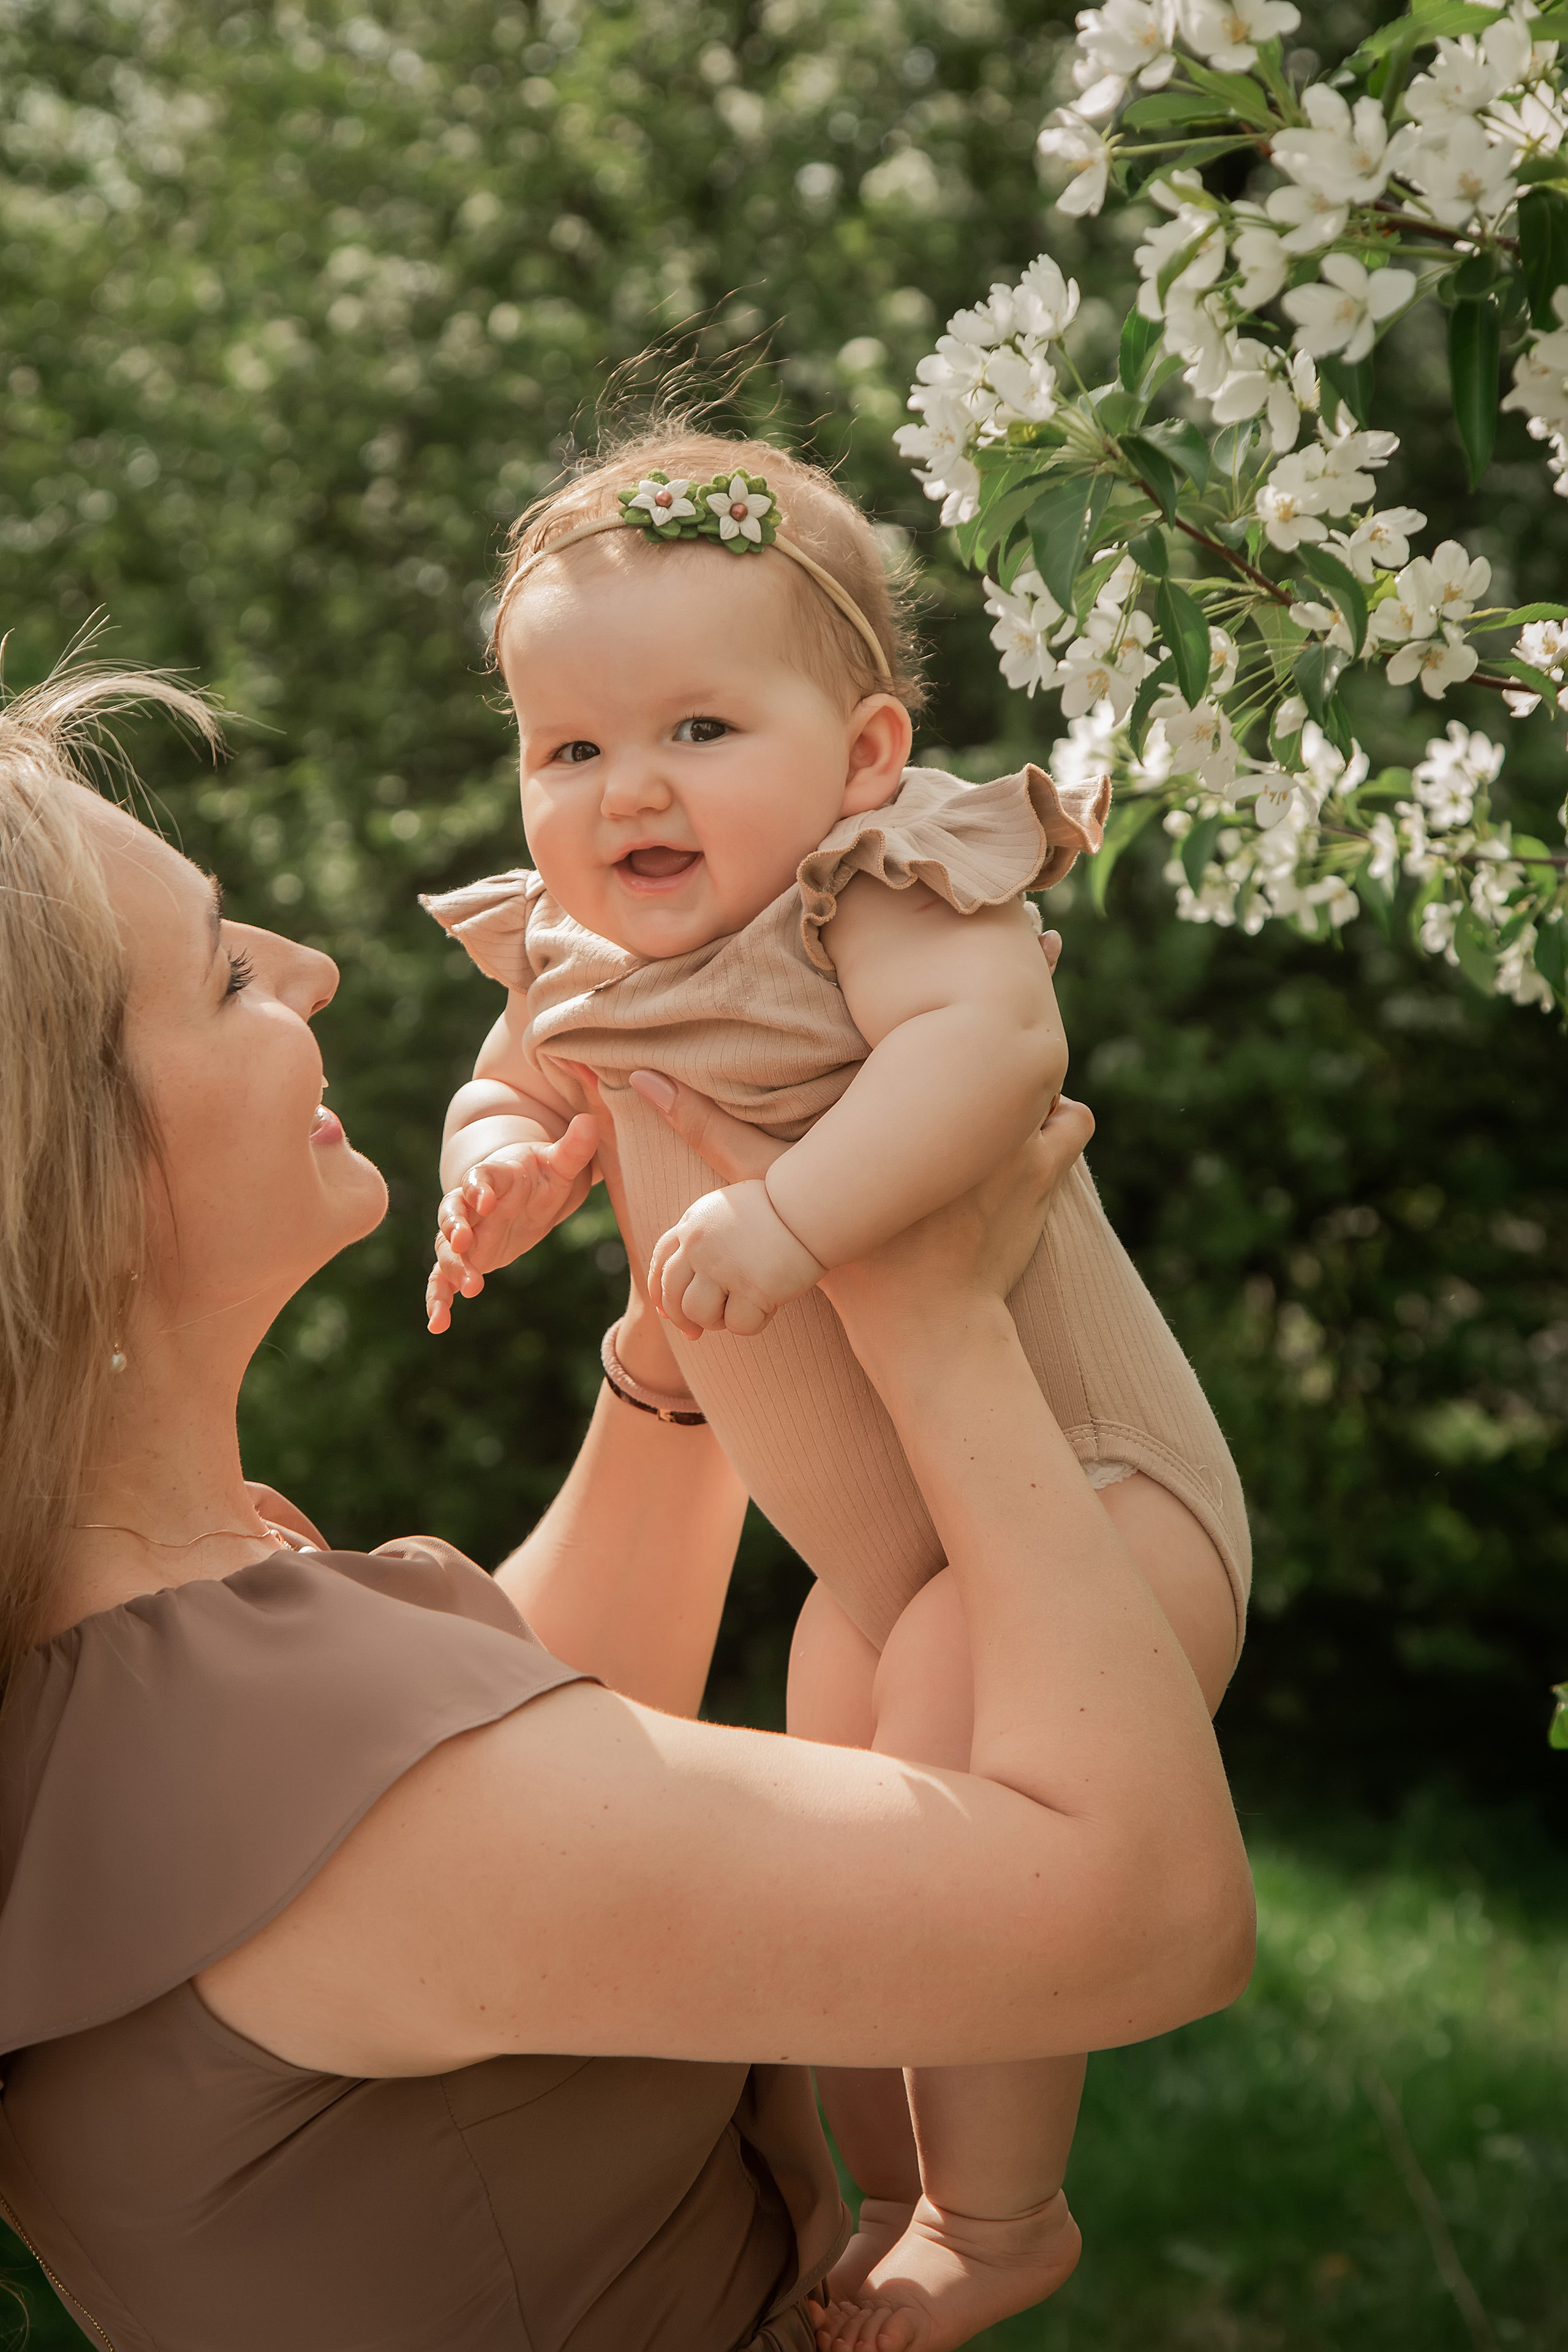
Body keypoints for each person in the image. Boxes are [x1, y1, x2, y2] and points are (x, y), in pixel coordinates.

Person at [0, 660, 1251, 2352]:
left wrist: (682, 1365)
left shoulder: (144, 1641)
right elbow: (1150, 1918)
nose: (314, 968)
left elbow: (539, 1748)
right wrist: (944, 1336)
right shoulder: (338, 1792)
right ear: (71, 1167)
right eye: (227, 975)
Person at [421, 429, 1251, 2346]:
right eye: (569, 749)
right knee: (855, 1843)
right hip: (889, 1565)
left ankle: (1005, 2208)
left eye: (702, 729)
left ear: (866, 756)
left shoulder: (869, 897)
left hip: (1095, 1496)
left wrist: (793, 1219)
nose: (626, 785)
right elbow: (517, 1083)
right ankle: (891, 2190)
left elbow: (989, 1053)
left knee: (967, 1729)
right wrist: (500, 1164)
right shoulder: (576, 958)